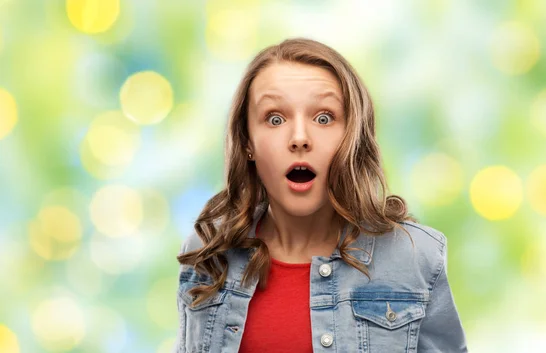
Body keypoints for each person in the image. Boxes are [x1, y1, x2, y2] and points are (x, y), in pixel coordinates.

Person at [173, 38, 468, 353]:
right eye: (275, 118)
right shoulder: (207, 250)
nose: (300, 138)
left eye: (324, 118)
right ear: (248, 142)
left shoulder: (416, 255)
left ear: (351, 136)